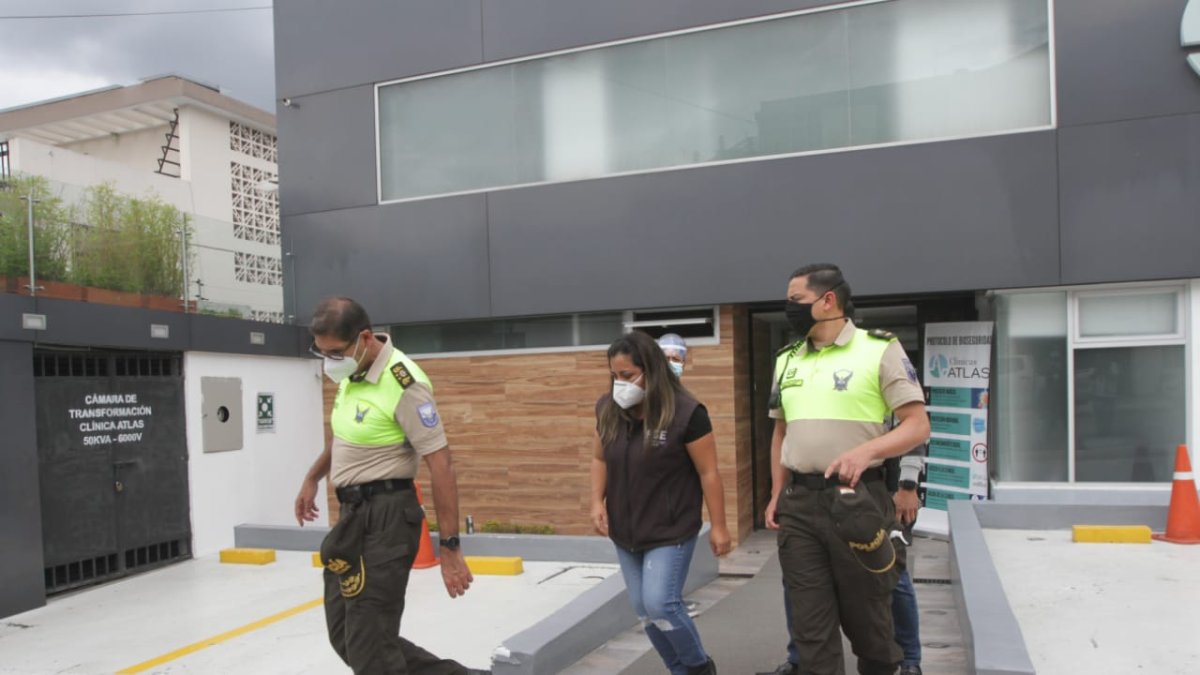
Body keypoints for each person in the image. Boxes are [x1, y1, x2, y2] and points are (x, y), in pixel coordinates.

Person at [294, 296, 487, 675]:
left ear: (364, 338)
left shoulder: (403, 381)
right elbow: (346, 437)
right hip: (352, 518)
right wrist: (312, 477)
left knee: (370, 646)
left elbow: (441, 464)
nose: (327, 361)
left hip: (386, 519)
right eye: (321, 352)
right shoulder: (352, 374)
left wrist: (449, 547)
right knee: (347, 636)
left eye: (334, 352)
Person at [763, 264, 930, 675]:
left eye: (796, 300)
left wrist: (866, 452)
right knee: (810, 624)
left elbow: (917, 424)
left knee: (870, 620)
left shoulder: (879, 348)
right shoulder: (786, 360)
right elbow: (780, 432)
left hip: (857, 501)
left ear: (828, 301)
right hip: (799, 504)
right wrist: (775, 492)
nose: (789, 308)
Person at [590, 331, 732, 675]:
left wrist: (720, 527)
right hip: (626, 528)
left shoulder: (686, 412)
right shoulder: (608, 408)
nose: (619, 383)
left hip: (670, 528)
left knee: (661, 604)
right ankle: (678, 669)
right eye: (614, 376)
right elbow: (600, 458)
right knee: (643, 611)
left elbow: (709, 473)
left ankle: (699, 667)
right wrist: (597, 501)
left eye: (627, 376)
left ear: (650, 370)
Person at [759, 450, 926, 675]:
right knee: (801, 583)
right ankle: (798, 657)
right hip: (809, 494)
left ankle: (908, 659)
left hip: (872, 487)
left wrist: (908, 484)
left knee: (890, 575)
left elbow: (912, 428)